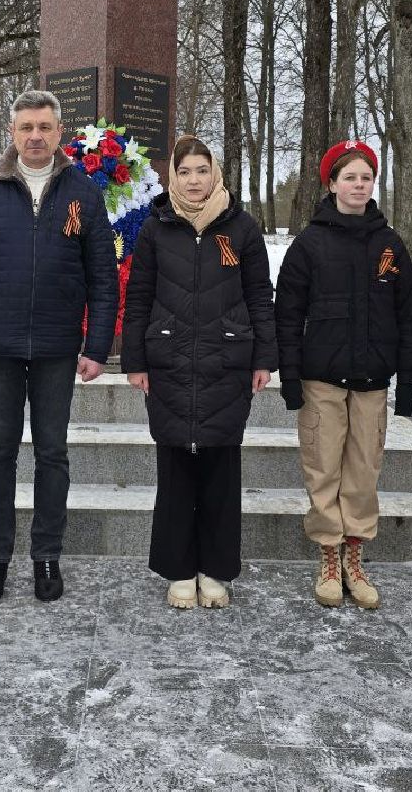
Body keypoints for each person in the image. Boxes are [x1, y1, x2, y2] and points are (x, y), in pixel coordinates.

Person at [0, 89, 118, 604]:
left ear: (60, 133)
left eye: (45, 126)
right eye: (26, 127)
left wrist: (96, 346)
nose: (35, 136)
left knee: (52, 452)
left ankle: (46, 555)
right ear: (12, 133)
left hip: (59, 349)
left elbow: (102, 277)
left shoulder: (83, 191)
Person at [121, 136, 276, 610]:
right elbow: (140, 298)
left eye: (202, 171)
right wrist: (135, 361)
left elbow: (259, 296)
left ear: (217, 174)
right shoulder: (154, 228)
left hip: (226, 363)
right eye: (184, 171)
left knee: (220, 474)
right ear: (173, 175)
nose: (193, 181)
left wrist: (264, 357)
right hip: (168, 364)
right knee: (176, 474)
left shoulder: (242, 228)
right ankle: (178, 570)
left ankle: (215, 569)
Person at [275, 140, 412, 609]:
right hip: (323, 381)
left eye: (366, 178)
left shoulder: (390, 244)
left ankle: (355, 556)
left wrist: (407, 379)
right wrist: (291, 380)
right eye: (350, 177)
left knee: (362, 472)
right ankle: (329, 557)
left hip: (372, 382)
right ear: (332, 183)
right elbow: (288, 316)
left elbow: (407, 315)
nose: (359, 186)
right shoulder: (310, 244)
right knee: (323, 471)